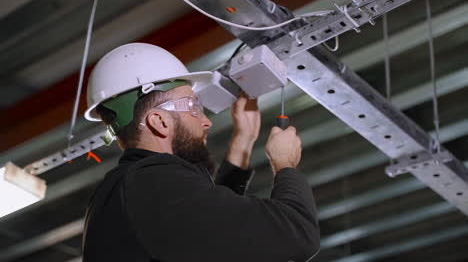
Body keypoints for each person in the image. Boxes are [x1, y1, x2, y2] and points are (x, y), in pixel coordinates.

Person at [82, 43, 320, 262]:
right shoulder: (151, 183)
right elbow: (297, 233)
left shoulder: (131, 190)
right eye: (193, 107)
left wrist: (243, 140)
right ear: (159, 121)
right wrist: (285, 164)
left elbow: (210, 226)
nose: (206, 121)